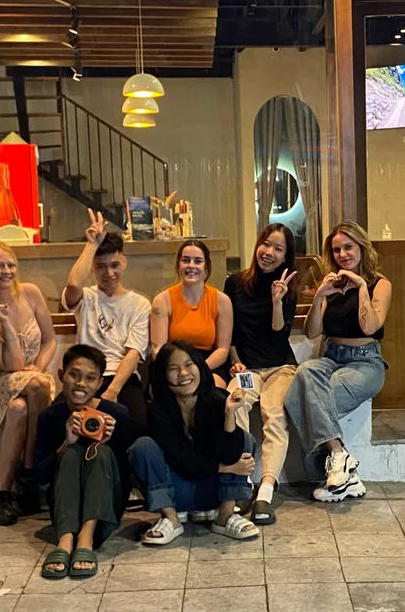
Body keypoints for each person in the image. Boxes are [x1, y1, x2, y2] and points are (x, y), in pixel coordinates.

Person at [285, 222, 391, 503]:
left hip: (366, 363)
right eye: (337, 250)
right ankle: (340, 460)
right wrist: (320, 295)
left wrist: (361, 288)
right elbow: (311, 333)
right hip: (332, 357)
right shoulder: (331, 286)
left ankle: (329, 471)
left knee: (305, 400)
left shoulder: (380, 284)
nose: (343, 254)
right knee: (305, 372)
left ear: (361, 248)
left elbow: (370, 327)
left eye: (348, 247)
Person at [128, 340, 259, 546]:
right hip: (176, 492)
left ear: (200, 366)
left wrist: (229, 414)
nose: (183, 373)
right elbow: (181, 460)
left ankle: (224, 517)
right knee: (143, 446)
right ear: (163, 376)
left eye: (189, 365)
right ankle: (170, 519)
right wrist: (227, 468)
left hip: (212, 491)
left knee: (244, 439)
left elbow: (231, 452)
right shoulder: (157, 409)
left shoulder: (218, 399)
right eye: (173, 368)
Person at [0, 241, 57, 526]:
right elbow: (13, 365)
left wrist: (38, 369)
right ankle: (29, 473)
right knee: (36, 387)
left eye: (10, 264)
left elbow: (50, 340)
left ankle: (3, 493)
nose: (7, 271)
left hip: (32, 377)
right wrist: (4, 322)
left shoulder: (31, 293)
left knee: (20, 408)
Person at [32, 344, 128, 580]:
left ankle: (85, 537)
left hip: (104, 512)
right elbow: (40, 477)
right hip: (65, 514)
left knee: (100, 452)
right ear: (61, 375)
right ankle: (65, 541)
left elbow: (126, 478)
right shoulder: (49, 417)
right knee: (71, 452)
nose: (81, 384)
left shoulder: (116, 414)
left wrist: (109, 441)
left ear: (99, 384)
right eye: (74, 374)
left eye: (90, 378)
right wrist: (66, 443)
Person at [224, 223, 298, 525]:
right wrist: (236, 361)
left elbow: (280, 338)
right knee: (235, 400)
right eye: (266, 244)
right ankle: (241, 483)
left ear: (285, 258)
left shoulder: (287, 287)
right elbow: (228, 333)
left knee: (274, 413)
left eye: (278, 249)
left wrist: (277, 301)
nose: (269, 252)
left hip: (281, 367)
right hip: (248, 368)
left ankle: (265, 491)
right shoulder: (235, 283)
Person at [63, 209, 152, 435]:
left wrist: (111, 391)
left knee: (138, 425)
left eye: (114, 265)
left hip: (122, 377)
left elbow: (133, 353)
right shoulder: (86, 297)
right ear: (92, 267)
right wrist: (91, 245)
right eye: (100, 267)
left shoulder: (140, 304)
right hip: (84, 374)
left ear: (124, 262)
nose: (108, 273)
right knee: (56, 417)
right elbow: (73, 285)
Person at [150, 241, 233, 386]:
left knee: (215, 392)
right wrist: (178, 370)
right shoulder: (162, 300)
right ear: (178, 265)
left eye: (198, 261)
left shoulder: (222, 301)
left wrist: (198, 370)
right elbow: (158, 350)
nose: (191, 265)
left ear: (206, 268)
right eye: (186, 260)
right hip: (172, 364)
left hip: (209, 364)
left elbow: (222, 350)